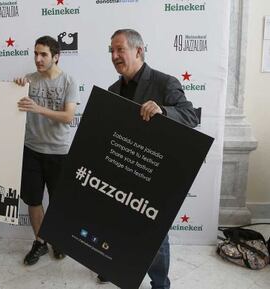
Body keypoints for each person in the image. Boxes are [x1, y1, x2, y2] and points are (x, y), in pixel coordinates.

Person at [96, 29, 199, 288]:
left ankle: (160, 283)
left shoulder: (165, 83)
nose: (115, 56)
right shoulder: (112, 90)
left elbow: (190, 116)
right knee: (117, 225)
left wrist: (163, 111)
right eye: (112, 51)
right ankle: (112, 265)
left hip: (155, 174)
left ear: (138, 51)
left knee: (155, 235)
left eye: (120, 49)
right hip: (122, 172)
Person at [14, 35, 79, 265]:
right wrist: (16, 88)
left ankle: (59, 241)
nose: (38, 59)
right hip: (31, 149)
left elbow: (68, 117)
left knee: (58, 202)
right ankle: (40, 242)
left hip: (59, 152)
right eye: (35, 54)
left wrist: (37, 108)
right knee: (33, 201)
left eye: (43, 55)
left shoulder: (69, 81)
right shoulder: (29, 80)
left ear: (56, 57)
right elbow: (13, 106)